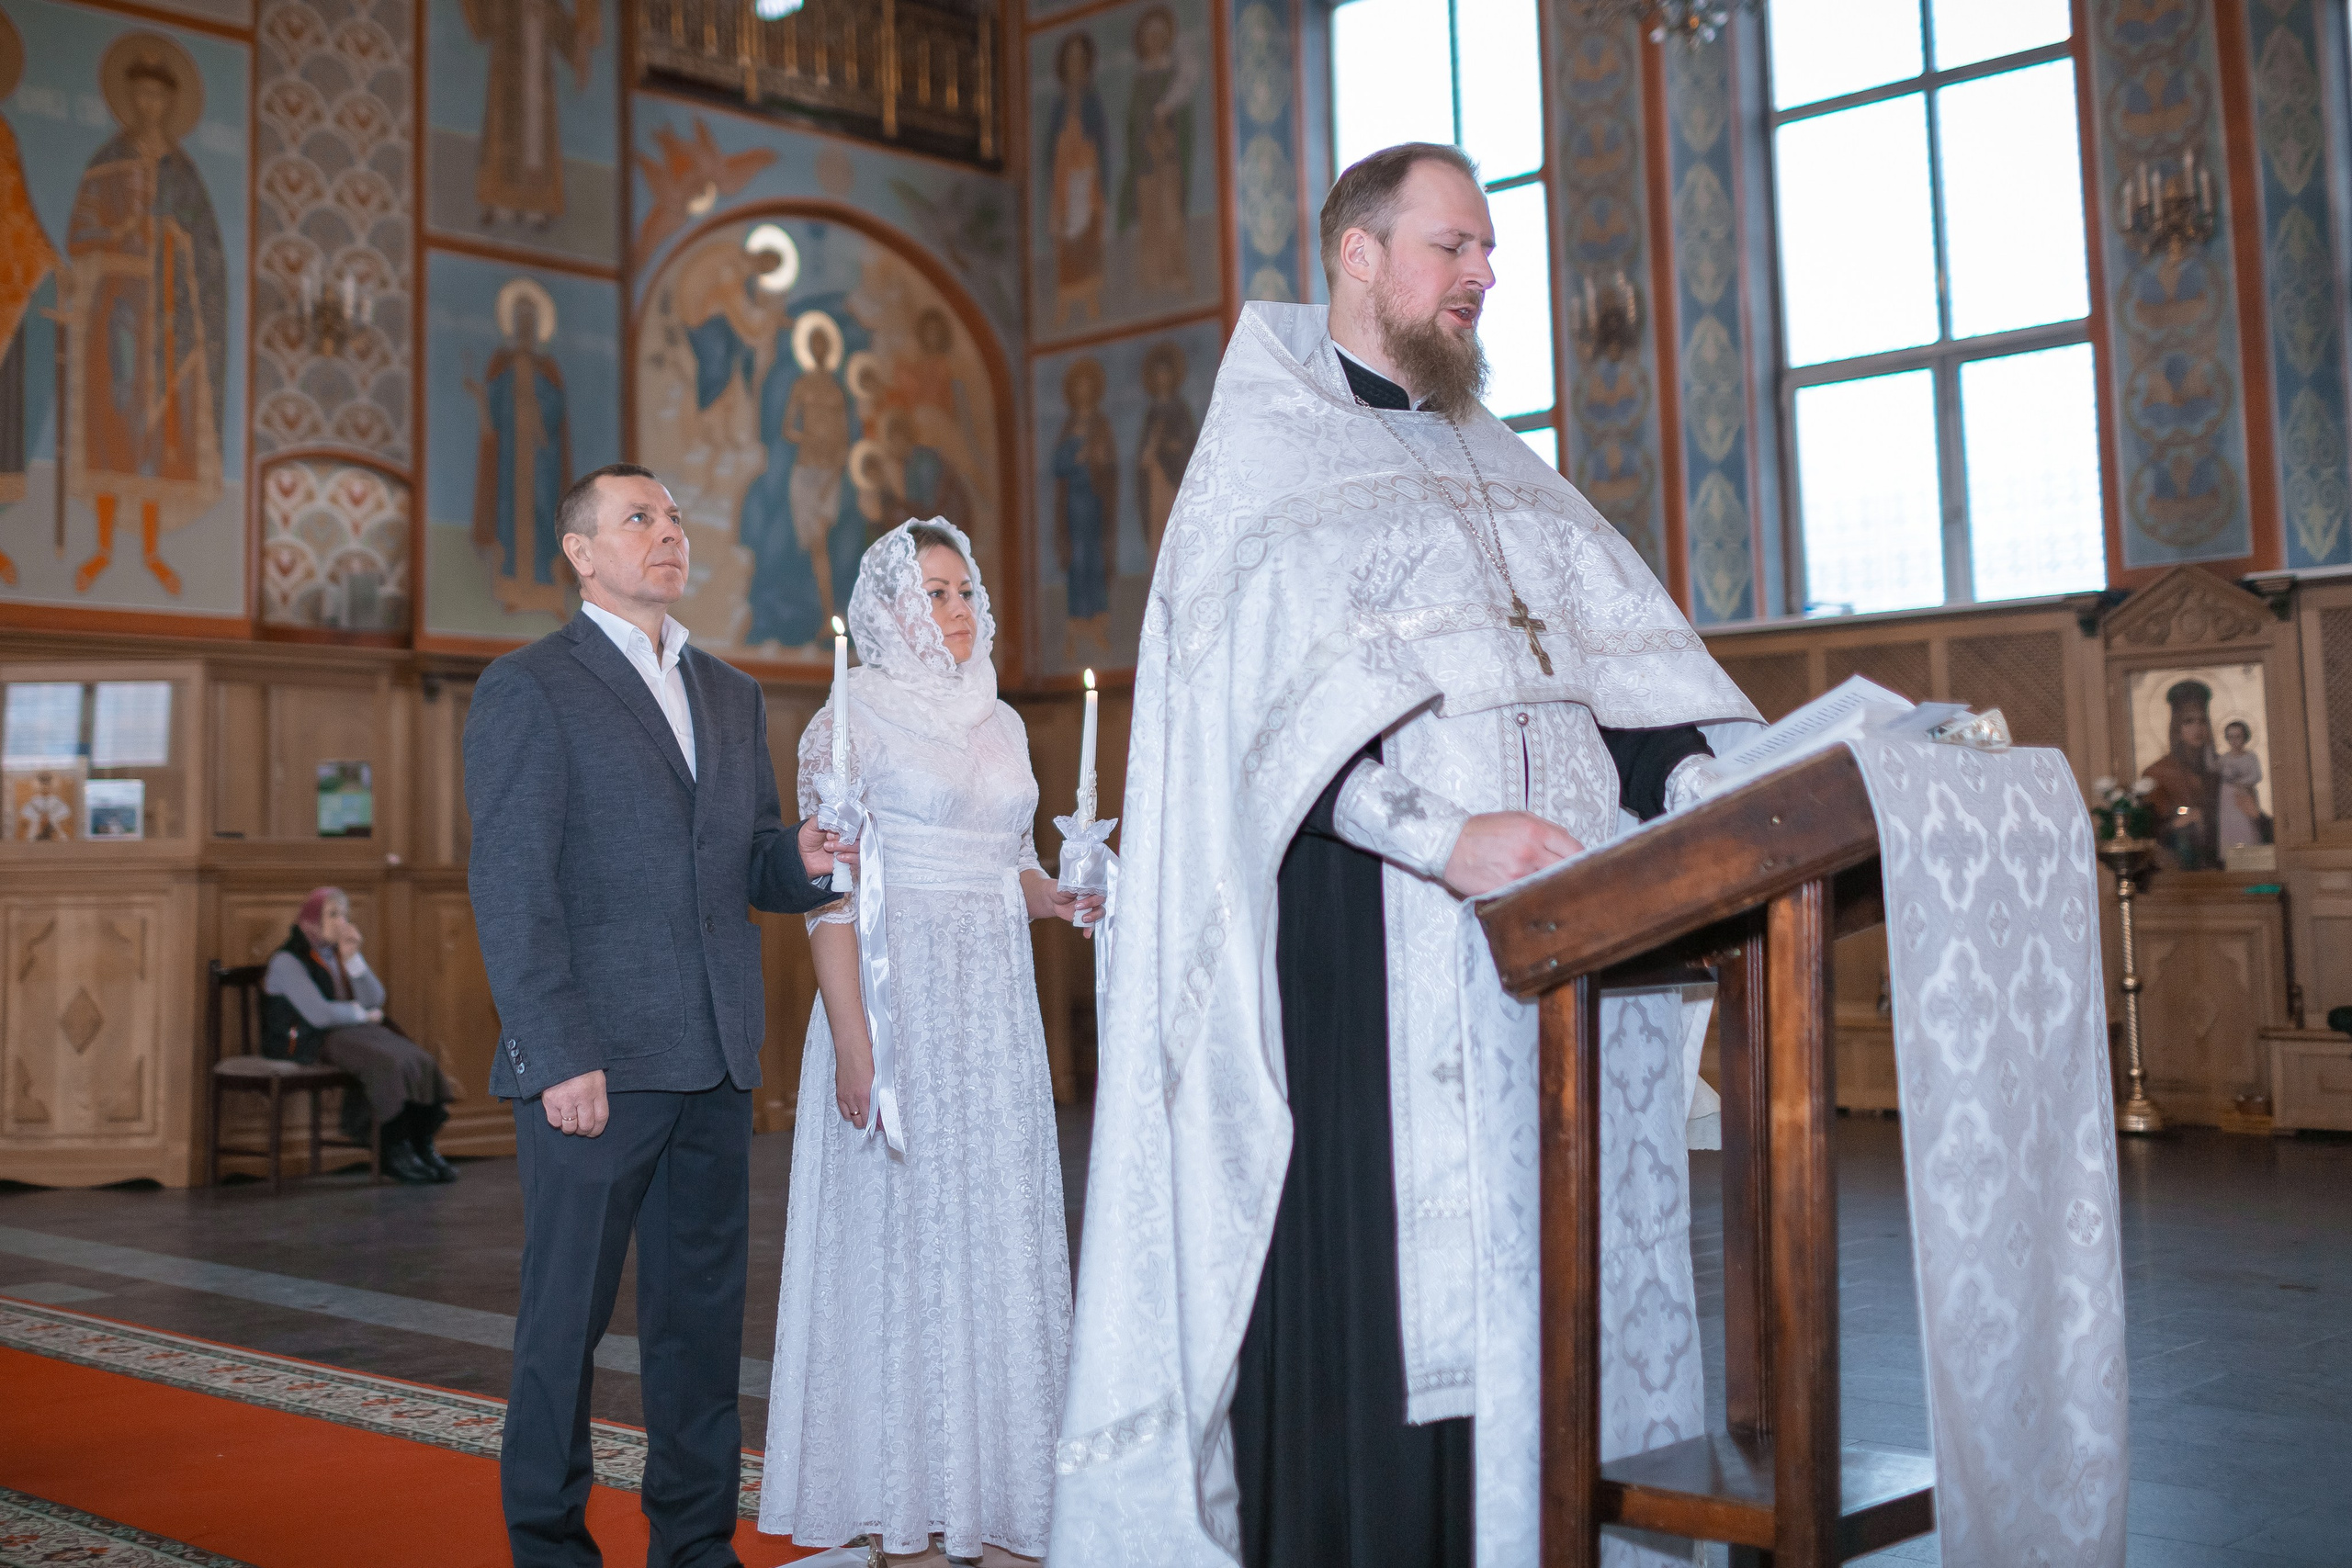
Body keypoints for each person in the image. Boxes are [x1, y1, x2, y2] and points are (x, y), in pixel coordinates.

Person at [1051, 143, 1758, 1568]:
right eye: (1455, 247)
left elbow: (1616, 674)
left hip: (1565, 949)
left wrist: (1707, 781)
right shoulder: (1264, 459)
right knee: (1393, 1293)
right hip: (1371, 951)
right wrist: (1443, 836)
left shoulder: (1506, 468)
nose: (1486, 277)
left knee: (1556, 1288)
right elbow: (1260, 735)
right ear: (1358, 257)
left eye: (1489, 252)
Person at [464, 461, 853, 1568]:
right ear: (582, 552)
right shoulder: (529, 686)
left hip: (717, 1059)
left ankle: (693, 1546)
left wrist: (803, 860)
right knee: (562, 1327)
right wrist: (558, 1054)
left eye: (675, 517)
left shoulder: (731, 693)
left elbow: (746, 859)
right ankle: (548, 1547)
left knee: (698, 1332)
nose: (668, 533)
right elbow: (513, 885)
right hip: (596, 1065)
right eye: (639, 518)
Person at [761, 519, 1093, 1566]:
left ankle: (998, 1502)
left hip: (992, 1019)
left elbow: (1013, 867)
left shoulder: (1000, 719)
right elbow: (828, 901)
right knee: (898, 1248)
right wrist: (856, 1046)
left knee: (993, 1240)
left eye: (965, 591)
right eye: (934, 592)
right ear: (889, 606)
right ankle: (900, 1508)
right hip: (893, 1012)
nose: (956, 610)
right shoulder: (844, 719)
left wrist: (1064, 896)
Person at [261, 887, 461, 1184]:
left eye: (345, 915)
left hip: (348, 1033)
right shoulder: (288, 960)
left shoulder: (335, 953)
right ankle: (394, 1148)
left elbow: (375, 997)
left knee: (417, 1058)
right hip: (306, 1039)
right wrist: (361, 1015)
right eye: (333, 915)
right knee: (387, 1063)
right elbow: (320, 1015)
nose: (342, 922)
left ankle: (421, 1142)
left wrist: (354, 960)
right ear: (311, 920)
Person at [2138, 678, 2222, 869]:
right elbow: (2160, 819)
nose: (2197, 729)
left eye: (2202, 721)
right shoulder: (2157, 772)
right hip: (2177, 864)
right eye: (2188, 721)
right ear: (2177, 727)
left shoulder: (2220, 768)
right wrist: (2185, 813)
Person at [2216, 718, 2268, 851]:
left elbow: (2257, 775)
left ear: (2245, 737)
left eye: (2238, 737)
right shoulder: (2224, 758)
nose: (2234, 741)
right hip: (2228, 799)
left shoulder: (2250, 757)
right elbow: (2216, 772)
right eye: (2230, 737)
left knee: (2246, 825)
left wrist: (2241, 782)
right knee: (2230, 826)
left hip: (2245, 796)